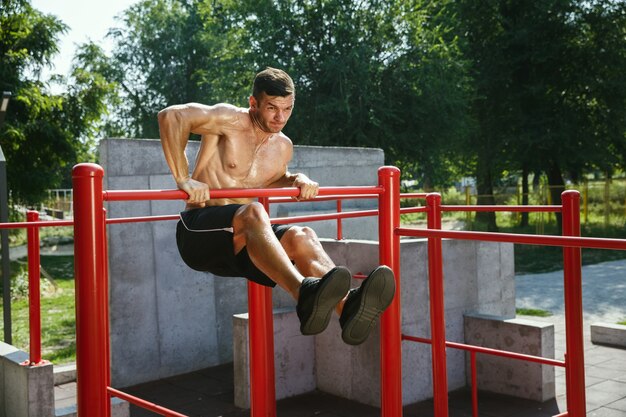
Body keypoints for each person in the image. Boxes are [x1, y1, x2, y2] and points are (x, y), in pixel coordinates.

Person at [158, 67, 395, 345]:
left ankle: (348, 308)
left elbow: (271, 178)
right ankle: (303, 293)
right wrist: (183, 179)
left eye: (287, 109)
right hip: (199, 233)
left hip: (243, 244)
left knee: (301, 235)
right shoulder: (228, 120)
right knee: (255, 212)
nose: (280, 117)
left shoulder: (283, 146)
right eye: (272, 108)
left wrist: (297, 179)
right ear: (253, 103)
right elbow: (170, 116)